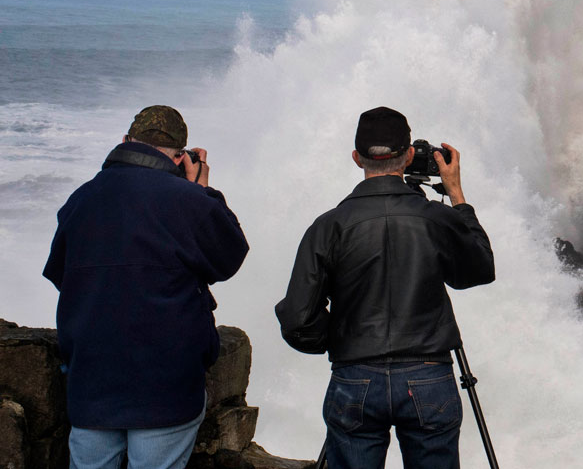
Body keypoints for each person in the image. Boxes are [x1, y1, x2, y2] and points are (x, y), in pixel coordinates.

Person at [276, 106, 495, 469]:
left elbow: (298, 318)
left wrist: (340, 339)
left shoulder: (329, 225)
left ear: (356, 158)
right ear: (409, 156)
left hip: (356, 376)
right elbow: (479, 270)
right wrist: (456, 194)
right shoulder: (436, 218)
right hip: (428, 373)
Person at [43, 105, 249, 469]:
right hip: (166, 384)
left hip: (92, 379)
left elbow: (62, 275)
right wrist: (203, 190)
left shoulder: (81, 199)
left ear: (125, 142)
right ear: (182, 156)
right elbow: (228, 256)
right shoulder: (188, 200)